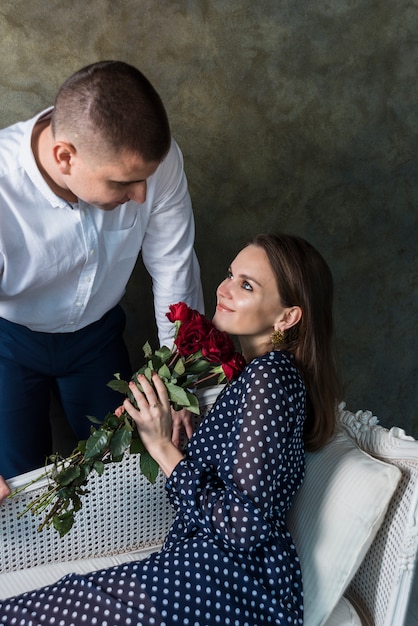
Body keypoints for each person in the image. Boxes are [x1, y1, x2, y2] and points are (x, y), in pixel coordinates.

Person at [0, 233, 340, 625]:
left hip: (233, 586)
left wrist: (163, 448)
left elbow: (244, 528)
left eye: (246, 285)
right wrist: (194, 436)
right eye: (230, 275)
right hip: (203, 572)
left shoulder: (271, 378)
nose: (224, 288)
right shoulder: (258, 377)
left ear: (287, 317)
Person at [0, 60, 204, 480]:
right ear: (65, 157)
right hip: (9, 344)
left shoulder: (151, 161)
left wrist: (185, 378)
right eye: (123, 184)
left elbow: (174, 267)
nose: (142, 194)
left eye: (145, 179)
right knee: (14, 485)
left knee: (127, 473)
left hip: (98, 337)